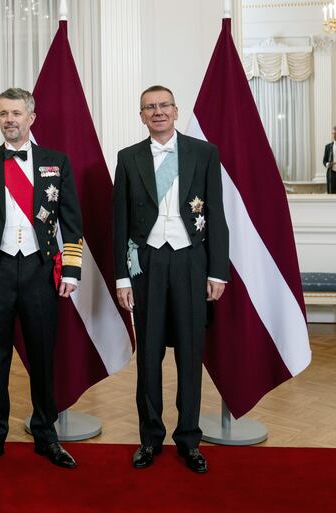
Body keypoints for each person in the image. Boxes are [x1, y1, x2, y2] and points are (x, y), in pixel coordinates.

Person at [0, 87, 84, 470]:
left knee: (43, 356)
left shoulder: (56, 162)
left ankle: (46, 434)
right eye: (3, 113)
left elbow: (71, 222)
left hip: (40, 271)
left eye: (16, 113)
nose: (9, 119)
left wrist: (73, 270)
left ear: (31, 117)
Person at [113, 85, 229, 474]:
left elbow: (217, 215)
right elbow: (120, 224)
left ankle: (189, 440)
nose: (158, 112)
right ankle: (150, 439)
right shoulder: (128, 158)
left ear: (176, 111)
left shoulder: (204, 152)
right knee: (148, 355)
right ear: (141, 116)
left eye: (164, 106)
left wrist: (217, 271)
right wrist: (121, 278)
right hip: (146, 264)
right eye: (150, 108)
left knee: (190, 355)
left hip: (191, 263)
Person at [324, 126, 336, 194]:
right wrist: (328, 164)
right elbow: (324, 161)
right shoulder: (328, 147)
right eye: (333, 133)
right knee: (331, 194)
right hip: (331, 174)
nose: (334, 135)